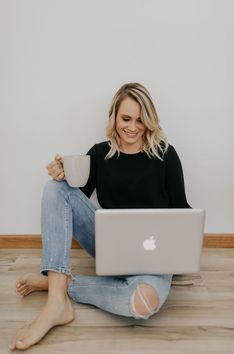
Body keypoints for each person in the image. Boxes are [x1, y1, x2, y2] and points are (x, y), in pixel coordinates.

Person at [9, 82, 191, 350]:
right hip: (110, 246)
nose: (132, 127)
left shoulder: (165, 154)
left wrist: (178, 251)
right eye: (125, 118)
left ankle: (61, 285)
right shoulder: (98, 153)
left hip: (153, 256)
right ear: (114, 117)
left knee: (144, 302)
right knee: (56, 188)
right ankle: (56, 303)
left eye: (140, 120)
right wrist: (62, 172)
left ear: (150, 121)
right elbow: (69, 202)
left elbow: (182, 211)